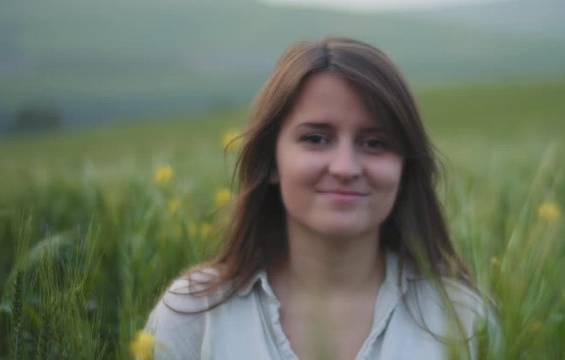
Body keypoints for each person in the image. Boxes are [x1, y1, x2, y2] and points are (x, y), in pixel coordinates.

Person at [145, 37, 501, 359]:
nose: (345, 167)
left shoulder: (466, 319)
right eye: (316, 138)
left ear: (405, 168)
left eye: (374, 143)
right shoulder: (194, 315)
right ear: (271, 161)